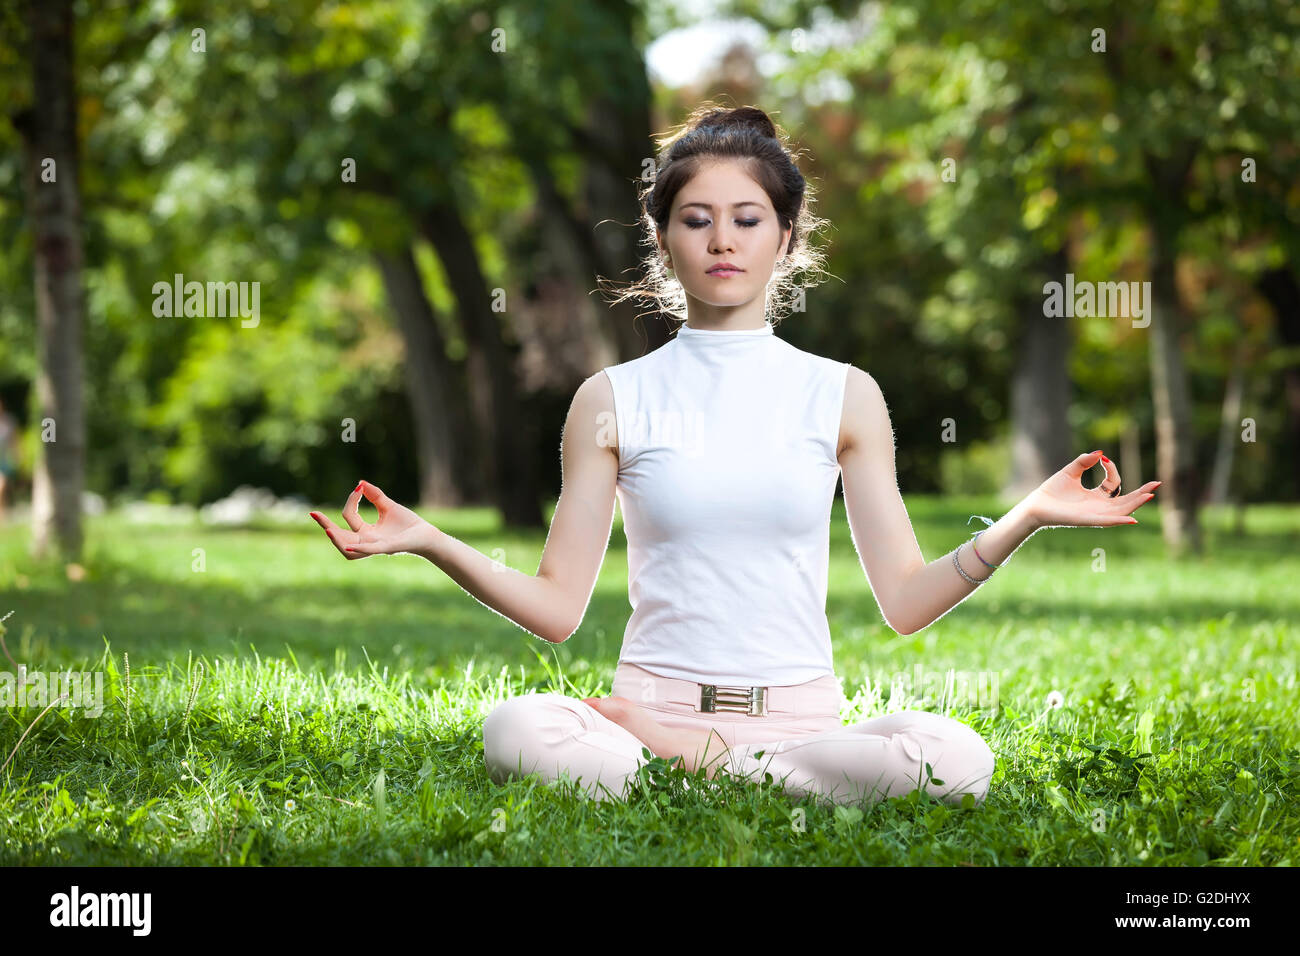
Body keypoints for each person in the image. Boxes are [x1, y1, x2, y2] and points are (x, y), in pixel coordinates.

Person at [310, 105, 1160, 809]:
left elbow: (904, 600)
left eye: (748, 220)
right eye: (697, 220)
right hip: (644, 708)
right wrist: (428, 538)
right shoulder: (611, 399)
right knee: (516, 727)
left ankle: (693, 765)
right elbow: (558, 609)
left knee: (956, 756)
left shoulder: (844, 394)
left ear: (785, 237)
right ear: (665, 239)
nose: (724, 240)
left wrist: (1027, 517)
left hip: (799, 722)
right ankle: (734, 770)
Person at [0, 397, 18, 524]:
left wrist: (17, 454)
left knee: (3, 486)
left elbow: (15, 440)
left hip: (5, 460)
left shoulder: (9, 421)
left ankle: (3, 513)